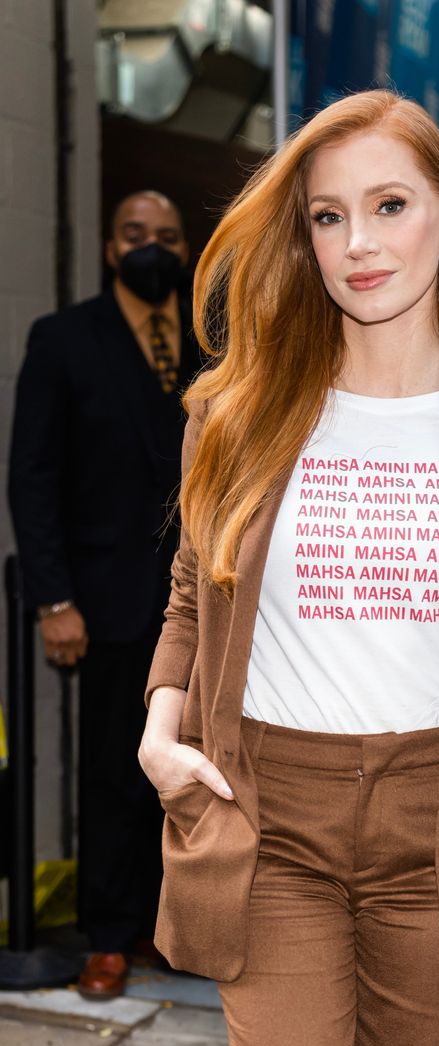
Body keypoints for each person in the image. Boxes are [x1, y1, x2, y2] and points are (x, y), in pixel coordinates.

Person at [138, 90, 439, 1046]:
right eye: (328, 216)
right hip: (271, 815)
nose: (358, 244)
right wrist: (163, 738)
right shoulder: (237, 417)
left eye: (388, 206)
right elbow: (193, 601)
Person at [8, 191, 202, 999]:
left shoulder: (212, 343)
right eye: (135, 235)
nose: (150, 248)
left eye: (166, 236)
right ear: (108, 247)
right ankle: (111, 934)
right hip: (109, 598)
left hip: (208, 602)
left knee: (199, 769)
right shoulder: (62, 340)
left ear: (186, 248)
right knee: (116, 769)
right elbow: (34, 475)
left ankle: (173, 925)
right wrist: (55, 600)